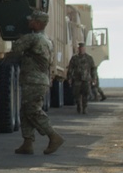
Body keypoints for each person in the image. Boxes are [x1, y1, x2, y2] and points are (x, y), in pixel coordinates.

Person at [7, 9, 64, 155]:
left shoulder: (33, 38)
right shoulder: (47, 40)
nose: (28, 22)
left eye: (31, 20)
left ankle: (53, 136)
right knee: (25, 111)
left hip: (33, 81)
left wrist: (18, 36)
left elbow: (16, 48)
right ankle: (27, 142)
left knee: (32, 110)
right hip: (38, 81)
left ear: (38, 23)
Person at [67, 43, 97, 114]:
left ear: (85, 49)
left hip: (86, 79)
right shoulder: (74, 58)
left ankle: (85, 108)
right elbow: (70, 68)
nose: (81, 49)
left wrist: (94, 78)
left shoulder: (89, 58)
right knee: (77, 94)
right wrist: (69, 78)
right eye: (80, 48)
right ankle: (79, 106)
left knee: (86, 94)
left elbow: (93, 68)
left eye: (83, 48)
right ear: (78, 49)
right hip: (77, 79)